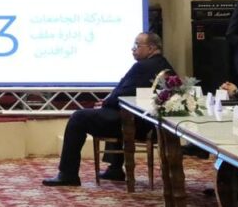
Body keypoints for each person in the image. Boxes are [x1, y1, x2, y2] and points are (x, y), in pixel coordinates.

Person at [42, 32, 171, 187]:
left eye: (137, 45)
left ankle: (68, 174)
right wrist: (109, 103)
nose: (133, 49)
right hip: (149, 122)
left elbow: (125, 93)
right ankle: (115, 169)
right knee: (111, 112)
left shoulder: (142, 66)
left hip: (135, 124)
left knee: (78, 118)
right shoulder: (164, 65)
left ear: (151, 48)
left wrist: (106, 103)